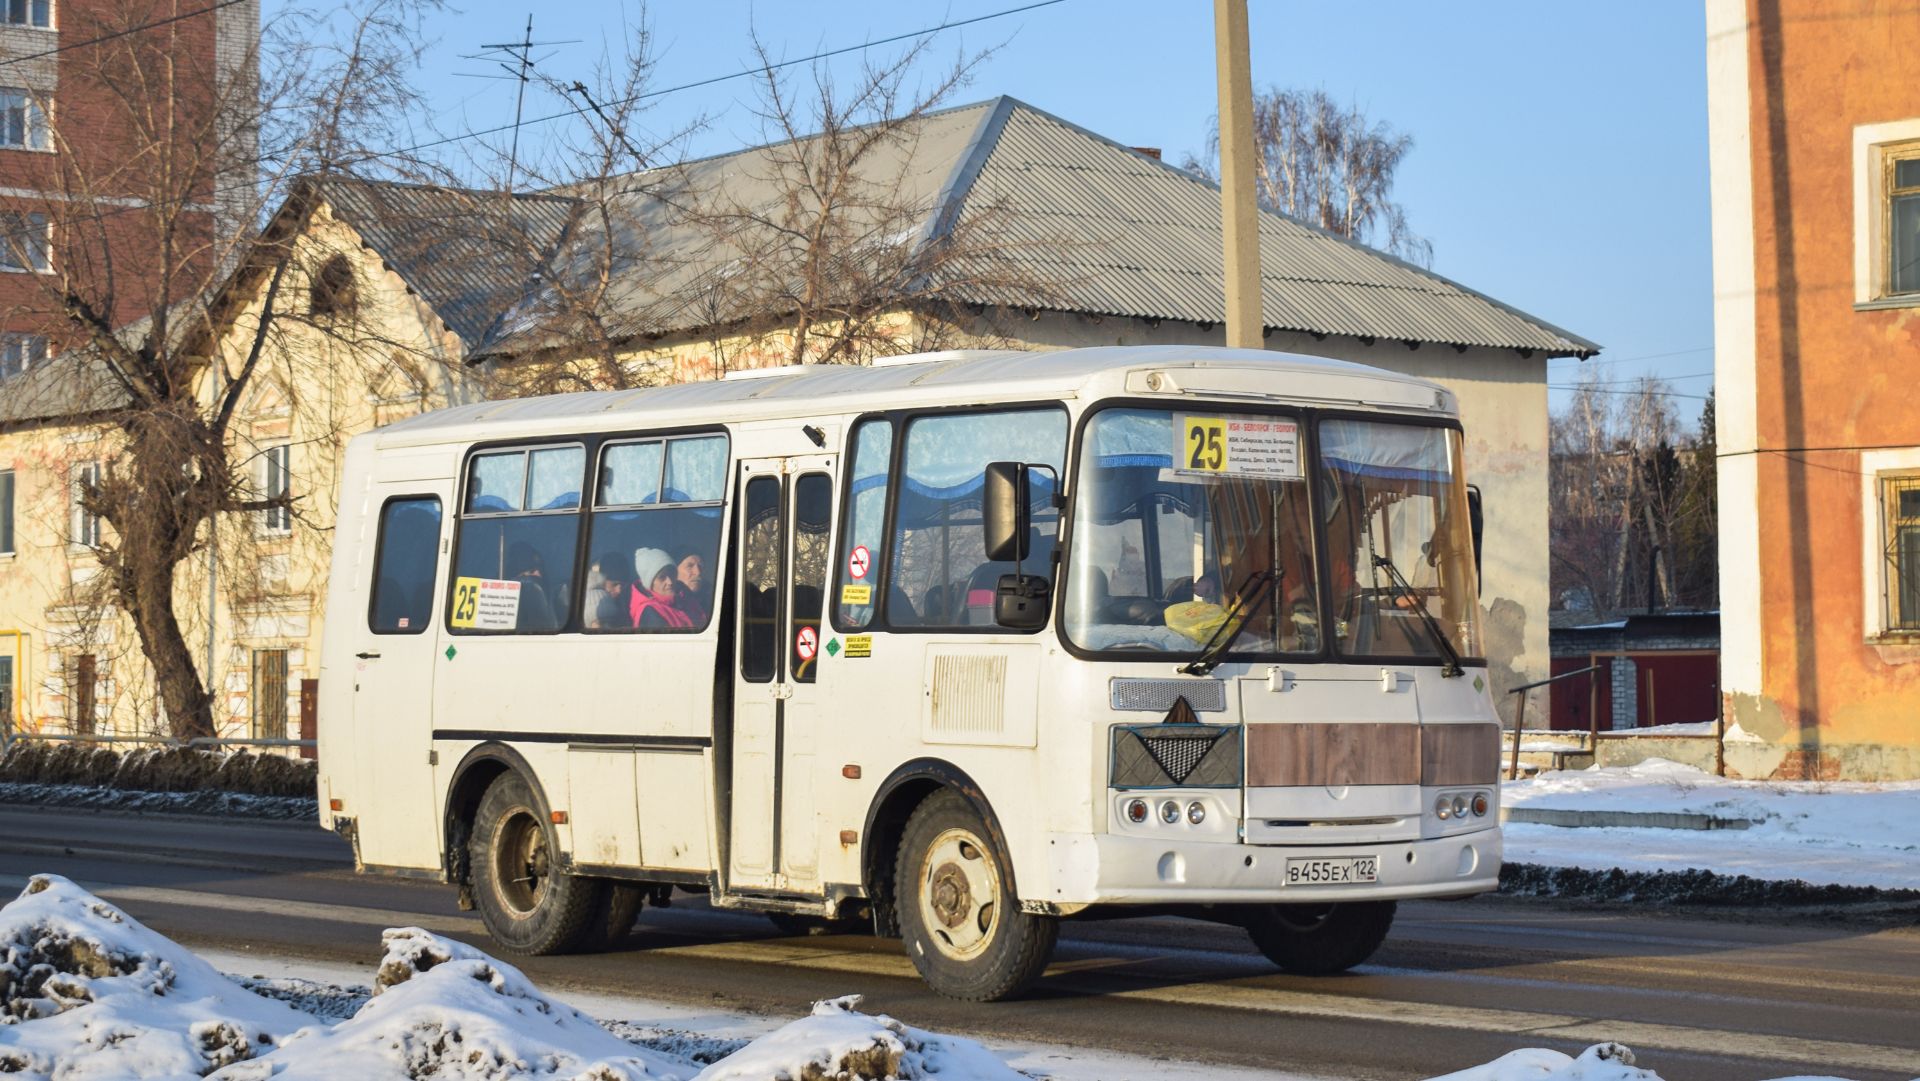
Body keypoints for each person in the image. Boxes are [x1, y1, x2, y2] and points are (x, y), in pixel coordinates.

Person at [629, 547, 693, 630]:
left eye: (672, 574)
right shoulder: (650, 613)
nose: (670, 582)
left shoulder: (684, 597)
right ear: (650, 584)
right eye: (662, 577)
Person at [505, 540, 558, 632]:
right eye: (531, 571)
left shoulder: (554, 594)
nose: (538, 574)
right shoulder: (509, 595)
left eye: (540, 569)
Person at [590, 551, 632, 629]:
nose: (619, 590)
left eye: (623, 585)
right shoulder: (585, 604)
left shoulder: (628, 603)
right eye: (614, 584)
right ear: (600, 582)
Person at [675, 550, 710, 627]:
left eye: (701, 566)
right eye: (689, 566)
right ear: (674, 571)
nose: (698, 572)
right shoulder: (668, 606)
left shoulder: (713, 601)